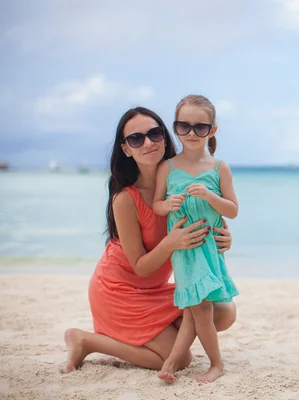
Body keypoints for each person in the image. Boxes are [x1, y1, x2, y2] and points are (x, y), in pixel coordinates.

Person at [61, 107, 236, 374]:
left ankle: (153, 334)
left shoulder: (180, 179)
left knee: (224, 311)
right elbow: (140, 266)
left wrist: (224, 239)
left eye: (154, 133)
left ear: (165, 137)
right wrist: (171, 242)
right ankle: (86, 341)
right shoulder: (125, 198)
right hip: (118, 291)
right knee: (181, 359)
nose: (148, 143)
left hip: (154, 292)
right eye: (136, 139)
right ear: (126, 149)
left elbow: (214, 220)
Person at [153, 95, 238, 384]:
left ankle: (203, 362)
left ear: (212, 130)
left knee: (197, 307)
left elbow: (233, 210)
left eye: (200, 128)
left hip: (210, 247)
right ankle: (201, 361)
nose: (191, 133)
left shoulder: (219, 168)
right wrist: (168, 204)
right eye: (184, 126)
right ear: (175, 129)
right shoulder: (168, 167)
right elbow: (156, 204)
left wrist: (210, 196)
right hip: (184, 249)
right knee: (196, 306)